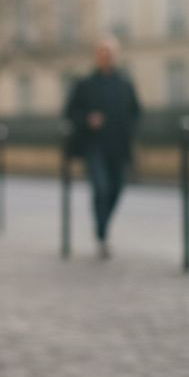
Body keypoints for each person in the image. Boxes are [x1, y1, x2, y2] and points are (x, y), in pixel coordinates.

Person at [64, 37, 141, 258]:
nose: (106, 57)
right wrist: (88, 119)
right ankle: (102, 234)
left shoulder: (124, 84)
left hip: (118, 147)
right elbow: (70, 112)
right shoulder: (85, 84)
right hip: (94, 146)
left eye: (109, 53)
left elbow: (136, 111)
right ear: (96, 56)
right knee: (101, 188)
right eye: (102, 53)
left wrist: (128, 130)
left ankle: (102, 226)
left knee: (116, 188)